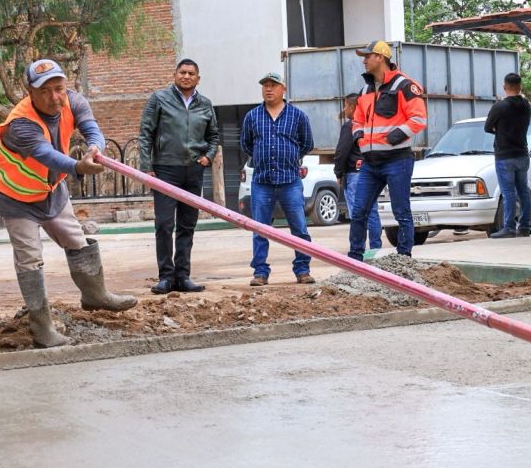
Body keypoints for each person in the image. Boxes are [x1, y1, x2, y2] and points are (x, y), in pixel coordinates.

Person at [0, 59, 137, 348]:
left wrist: (95, 147)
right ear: (30, 91)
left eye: (59, 88)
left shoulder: (74, 101)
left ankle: (95, 295)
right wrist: (79, 167)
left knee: (76, 239)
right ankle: (42, 326)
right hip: (16, 195)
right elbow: (47, 155)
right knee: (30, 257)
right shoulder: (20, 124)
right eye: (45, 91)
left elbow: (92, 128)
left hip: (51, 190)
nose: (55, 97)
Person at [138, 58, 220, 295]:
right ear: (175, 75)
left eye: (191, 73)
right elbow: (145, 133)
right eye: (182, 72)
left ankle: (183, 276)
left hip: (193, 171)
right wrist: (146, 167)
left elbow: (213, 136)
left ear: (198, 79)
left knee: (187, 225)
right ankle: (166, 277)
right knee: (164, 224)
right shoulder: (159, 99)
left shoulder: (205, 104)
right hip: (165, 169)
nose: (186, 76)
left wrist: (208, 157)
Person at [347, 41, 427, 261]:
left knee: (401, 211)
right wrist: (360, 139)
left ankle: (404, 258)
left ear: (380, 57)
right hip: (370, 163)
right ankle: (354, 258)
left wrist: (393, 138)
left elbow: (418, 119)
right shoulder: (365, 90)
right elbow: (357, 120)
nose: (364, 61)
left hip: (397, 160)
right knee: (359, 211)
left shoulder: (405, 85)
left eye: (367, 56)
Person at [239, 72, 316, 286]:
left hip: (290, 181)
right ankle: (260, 273)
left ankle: (302, 270)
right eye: (265, 85)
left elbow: (307, 144)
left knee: (299, 228)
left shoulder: (298, 116)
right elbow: (246, 144)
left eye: (273, 85)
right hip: (262, 182)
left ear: (284, 89)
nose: (268, 89)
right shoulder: (252, 116)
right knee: (260, 229)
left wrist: (289, 158)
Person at [484, 72, 531, 238]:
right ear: (520, 87)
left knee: (508, 193)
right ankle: (525, 226)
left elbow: (487, 127)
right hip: (522, 153)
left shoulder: (499, 107)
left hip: (504, 155)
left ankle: (509, 227)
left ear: (504, 87)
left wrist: (500, 130)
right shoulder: (526, 106)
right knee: (523, 191)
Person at [333, 92, 382, 251]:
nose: (344, 109)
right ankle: (376, 249)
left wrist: (338, 173)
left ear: (353, 107)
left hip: (354, 174)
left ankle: (358, 251)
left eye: (346, 106)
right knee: (372, 212)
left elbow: (342, 151)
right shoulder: (372, 124)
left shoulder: (350, 126)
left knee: (357, 214)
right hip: (372, 173)